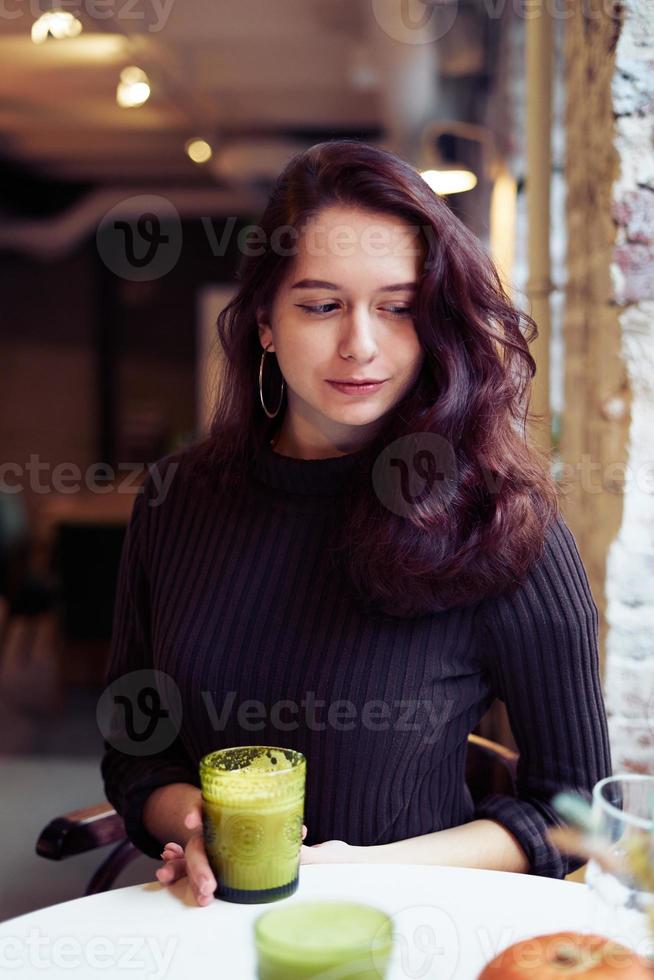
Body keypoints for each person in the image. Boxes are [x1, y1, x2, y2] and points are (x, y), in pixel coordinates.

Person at [101, 140, 612, 907]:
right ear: (266, 322)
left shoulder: (500, 519)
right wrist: (191, 818)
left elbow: (575, 814)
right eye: (321, 305)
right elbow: (137, 753)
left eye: (399, 308)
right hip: (209, 929)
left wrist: (374, 870)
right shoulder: (178, 498)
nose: (361, 345)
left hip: (411, 934)